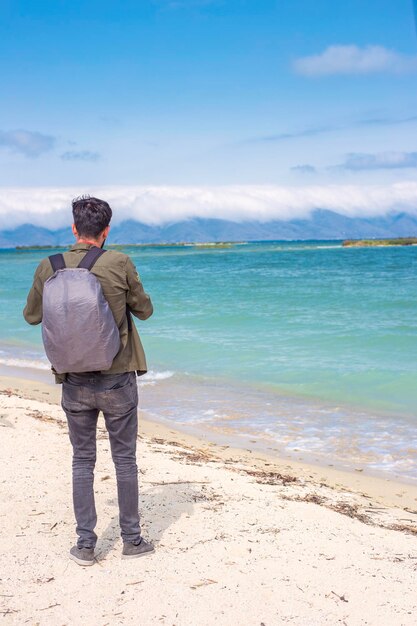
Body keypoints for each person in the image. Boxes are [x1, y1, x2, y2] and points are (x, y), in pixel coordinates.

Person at [23, 196, 154, 566]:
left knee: (83, 460)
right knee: (124, 460)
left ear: (74, 228)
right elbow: (144, 311)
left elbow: (32, 316)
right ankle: (132, 540)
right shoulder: (119, 263)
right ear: (107, 230)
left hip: (73, 381)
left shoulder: (48, 266)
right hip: (117, 379)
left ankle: (85, 545)